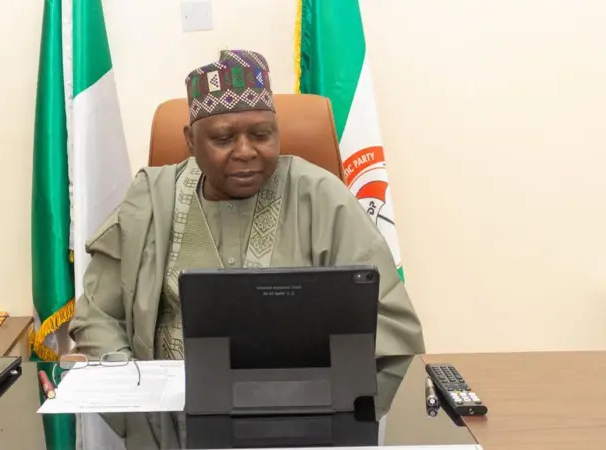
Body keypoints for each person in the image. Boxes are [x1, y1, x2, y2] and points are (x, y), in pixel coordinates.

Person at [68, 49, 425, 362]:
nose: (245, 151)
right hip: (168, 410)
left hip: (299, 404)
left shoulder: (321, 197)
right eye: (223, 138)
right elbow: (98, 316)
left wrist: (317, 379)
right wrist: (132, 386)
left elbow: (391, 325)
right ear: (190, 140)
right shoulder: (151, 198)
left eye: (261, 135)